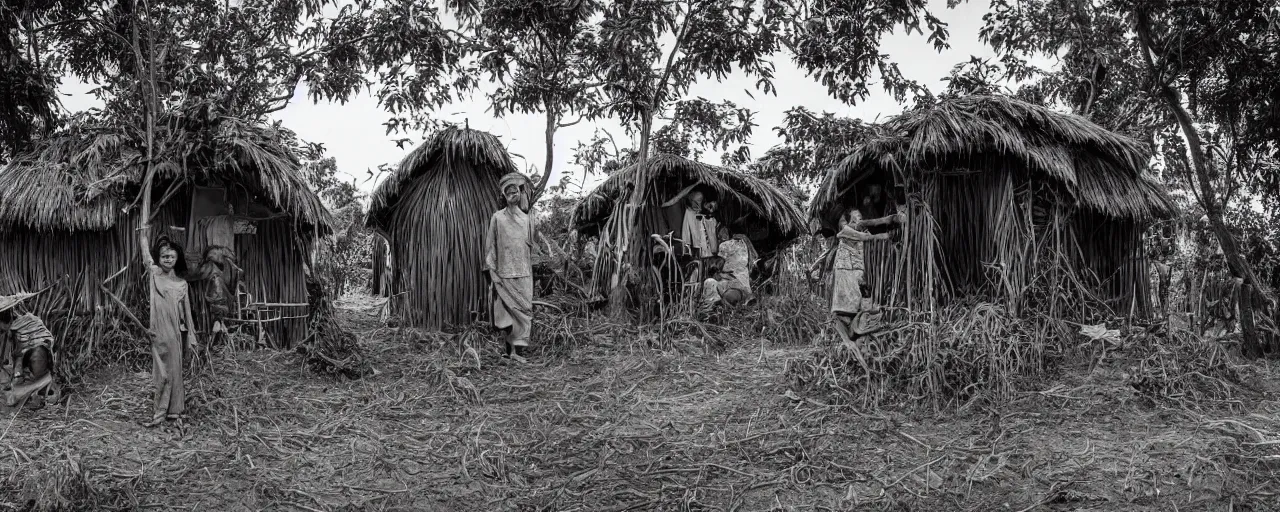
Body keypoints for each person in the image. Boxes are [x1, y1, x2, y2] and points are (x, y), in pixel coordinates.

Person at [821, 207, 905, 369]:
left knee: (859, 299)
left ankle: (857, 330)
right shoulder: (845, 231)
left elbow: (869, 224)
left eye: (857, 217)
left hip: (856, 270)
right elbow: (865, 236)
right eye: (850, 219)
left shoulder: (856, 228)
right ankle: (849, 329)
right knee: (848, 301)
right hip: (845, 270)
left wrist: (891, 219)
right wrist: (888, 234)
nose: (855, 221)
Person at [139, 231, 198, 427]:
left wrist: (191, 336)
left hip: (174, 332)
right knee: (160, 373)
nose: (168, 259)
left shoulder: (182, 284)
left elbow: (187, 312)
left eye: (172, 256)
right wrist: (143, 236)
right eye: (164, 256)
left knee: (175, 371)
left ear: (177, 258)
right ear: (159, 258)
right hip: (157, 331)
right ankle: (160, 409)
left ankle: (174, 410)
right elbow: (146, 257)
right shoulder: (155, 274)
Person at [485, 173, 536, 363]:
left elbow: (532, 249)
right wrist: (492, 271)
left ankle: (518, 353)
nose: (512, 194)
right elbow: (491, 246)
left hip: (523, 273)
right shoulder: (497, 218)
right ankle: (507, 351)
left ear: (520, 193)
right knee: (504, 313)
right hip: (503, 274)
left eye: (515, 191)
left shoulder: (528, 219)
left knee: (524, 313)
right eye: (509, 191)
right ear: (504, 195)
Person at [0, 303, 59, 407]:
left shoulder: (28, 326)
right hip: (21, 373)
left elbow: (22, 356)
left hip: (35, 371)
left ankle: (42, 384)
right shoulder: (13, 330)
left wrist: (18, 374)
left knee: (38, 353)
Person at [699, 224, 760, 314]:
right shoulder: (745, 244)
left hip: (733, 288)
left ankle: (710, 312)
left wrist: (711, 266)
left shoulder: (725, 245)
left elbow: (717, 264)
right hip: (745, 288)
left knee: (709, 282)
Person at [662, 182, 718, 259]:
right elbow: (679, 199)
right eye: (710, 206)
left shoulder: (704, 203)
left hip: (692, 213)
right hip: (684, 210)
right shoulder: (697, 197)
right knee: (683, 235)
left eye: (712, 209)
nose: (710, 210)